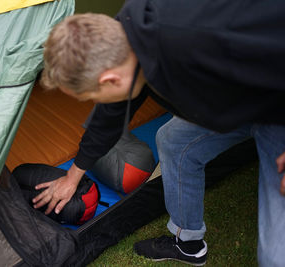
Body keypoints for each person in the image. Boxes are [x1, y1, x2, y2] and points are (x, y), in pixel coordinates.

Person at [32, 0, 285, 265]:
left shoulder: (196, 37)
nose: (96, 103)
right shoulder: (126, 40)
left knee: (275, 256)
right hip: (241, 100)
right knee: (175, 142)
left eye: (91, 96)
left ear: (110, 80)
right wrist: (73, 176)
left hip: (275, 109)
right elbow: (109, 116)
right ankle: (189, 244)